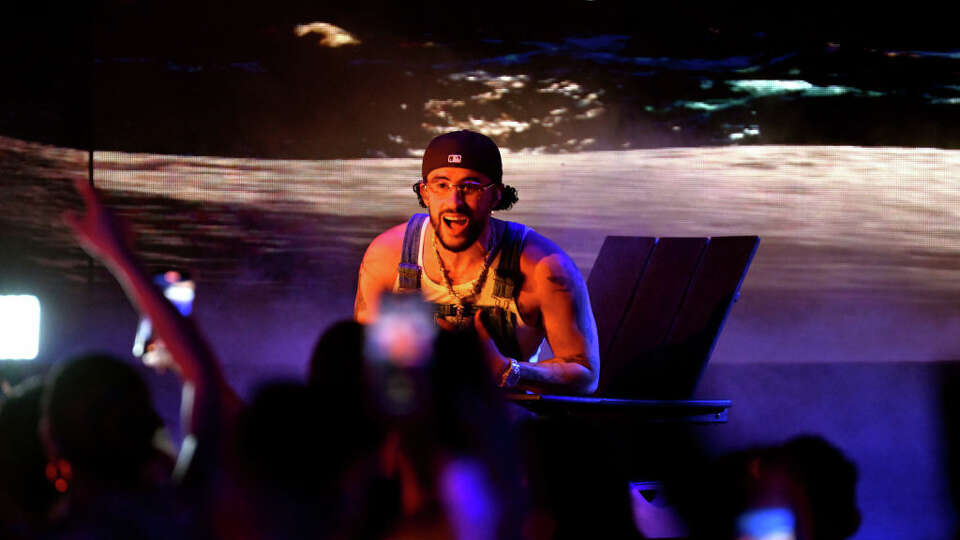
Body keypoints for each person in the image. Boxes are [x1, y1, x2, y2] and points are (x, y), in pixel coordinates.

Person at [354, 130, 600, 395]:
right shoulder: (387, 256)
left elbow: (585, 374)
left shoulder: (544, 268)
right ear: (425, 192)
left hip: (505, 423)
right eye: (441, 184)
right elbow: (359, 362)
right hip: (414, 423)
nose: (454, 202)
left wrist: (509, 371)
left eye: (470, 187)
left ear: (496, 195)